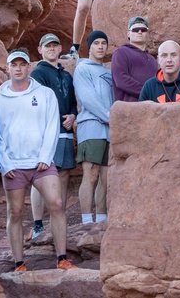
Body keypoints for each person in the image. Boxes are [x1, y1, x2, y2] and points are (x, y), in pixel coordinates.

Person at [0, 50, 76, 271]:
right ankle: (19, 263)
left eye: (22, 64)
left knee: (57, 205)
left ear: (29, 67)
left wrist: (45, 156)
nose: (18, 68)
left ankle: (62, 259)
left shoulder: (46, 94)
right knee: (15, 212)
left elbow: (52, 125)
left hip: (41, 162)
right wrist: (6, 163)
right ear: (7, 68)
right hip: (14, 165)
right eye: (14, 64)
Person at [28, 34, 77, 243]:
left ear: (60, 49)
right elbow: (39, 103)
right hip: (47, 132)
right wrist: (58, 119)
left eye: (55, 45)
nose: (52, 49)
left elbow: (73, 101)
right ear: (40, 49)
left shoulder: (66, 75)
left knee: (63, 174)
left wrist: (73, 115)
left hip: (65, 132)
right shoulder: (38, 73)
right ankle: (38, 224)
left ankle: (60, 218)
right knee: (40, 176)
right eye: (47, 46)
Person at [73, 30, 113, 225]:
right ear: (89, 47)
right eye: (96, 43)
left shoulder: (109, 72)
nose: (100, 46)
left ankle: (102, 217)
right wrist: (109, 116)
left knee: (106, 176)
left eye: (103, 43)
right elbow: (88, 98)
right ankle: (87, 219)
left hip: (109, 129)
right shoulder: (82, 69)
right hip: (91, 126)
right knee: (91, 173)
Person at [112, 16, 160, 102]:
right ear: (128, 34)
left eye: (143, 30)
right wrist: (147, 92)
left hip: (152, 109)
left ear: (147, 33)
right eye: (135, 30)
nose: (140, 32)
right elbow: (121, 80)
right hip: (130, 110)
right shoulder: (121, 53)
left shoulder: (152, 60)